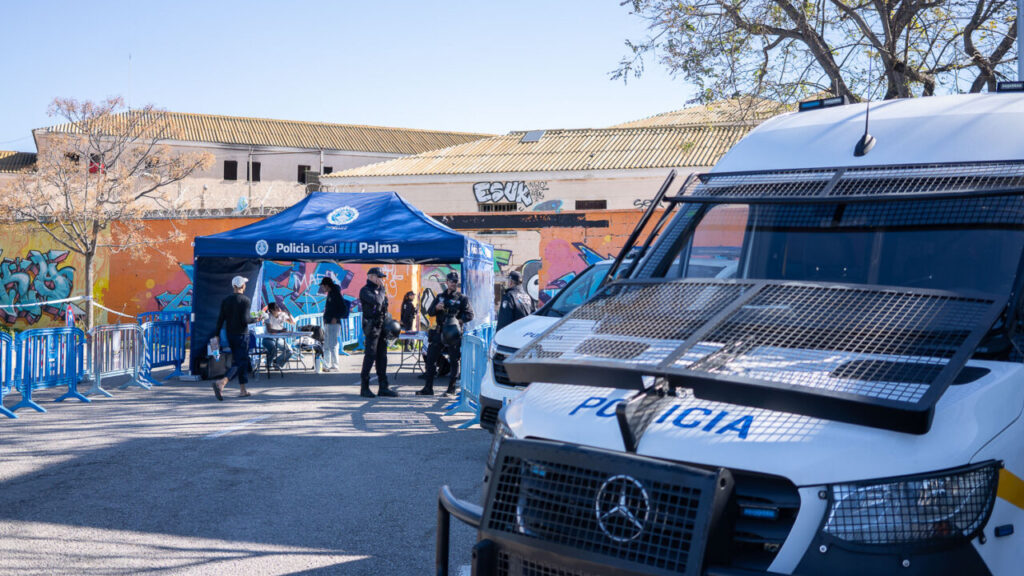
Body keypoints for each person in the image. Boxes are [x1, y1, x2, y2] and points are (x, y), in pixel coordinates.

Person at [416, 271, 474, 396]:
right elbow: (430, 312)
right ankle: (428, 388)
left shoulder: (462, 298)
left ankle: (451, 389)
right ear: (446, 282)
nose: (453, 283)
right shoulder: (440, 297)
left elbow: (470, 315)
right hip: (440, 331)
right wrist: (436, 308)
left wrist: (458, 321)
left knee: (454, 361)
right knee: (430, 359)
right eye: (451, 281)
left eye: (455, 281)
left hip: (453, 333)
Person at [212, 275, 254, 400]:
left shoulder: (226, 300)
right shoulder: (245, 300)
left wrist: (217, 335)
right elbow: (246, 320)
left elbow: (220, 319)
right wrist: (257, 319)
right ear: (242, 286)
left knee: (240, 361)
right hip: (242, 335)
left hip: (230, 334)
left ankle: (243, 390)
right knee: (240, 362)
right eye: (245, 284)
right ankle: (222, 382)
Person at [358, 267, 398, 398]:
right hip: (372, 327)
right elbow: (377, 301)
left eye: (381, 277)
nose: (381, 280)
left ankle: (383, 387)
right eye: (378, 277)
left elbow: (384, 307)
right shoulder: (365, 290)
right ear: (370, 277)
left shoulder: (379, 290)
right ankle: (364, 388)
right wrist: (382, 289)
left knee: (382, 357)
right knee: (370, 356)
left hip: (381, 327)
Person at [320, 276, 348, 372]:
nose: (322, 288)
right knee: (327, 345)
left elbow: (343, 309)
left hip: (334, 323)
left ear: (327, 285)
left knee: (333, 344)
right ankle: (326, 364)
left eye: (323, 286)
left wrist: (336, 317)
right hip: (328, 322)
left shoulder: (336, 294)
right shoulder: (331, 294)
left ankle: (335, 365)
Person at [262, 302, 295, 370]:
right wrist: (281, 331)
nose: (278, 308)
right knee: (273, 349)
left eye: (278, 306)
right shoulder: (267, 316)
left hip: (278, 338)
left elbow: (293, 322)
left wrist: (289, 314)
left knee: (289, 351)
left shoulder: (281, 315)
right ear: (271, 310)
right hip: (268, 338)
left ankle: (276, 362)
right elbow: (270, 330)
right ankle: (268, 364)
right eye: (276, 307)